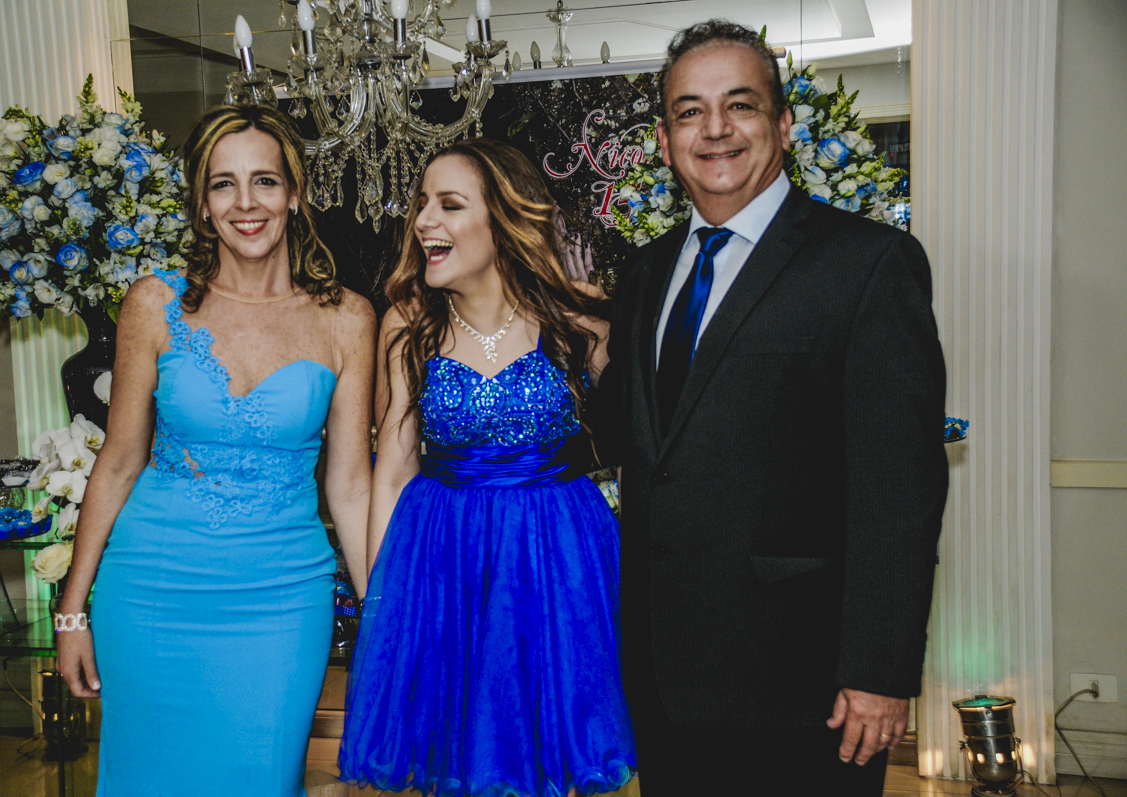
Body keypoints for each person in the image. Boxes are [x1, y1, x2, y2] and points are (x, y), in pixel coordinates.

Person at [596, 21, 949, 796]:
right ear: (666, 142)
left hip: (805, 686)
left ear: (784, 124)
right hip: (664, 679)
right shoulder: (646, 273)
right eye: (689, 111)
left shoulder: (867, 264)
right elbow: (634, 437)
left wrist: (880, 670)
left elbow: (900, 489)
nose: (715, 128)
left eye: (741, 104)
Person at [54, 104, 375, 796]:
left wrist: (381, 611)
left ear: (295, 194)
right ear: (202, 204)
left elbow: (350, 486)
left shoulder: (347, 318)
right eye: (224, 184)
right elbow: (119, 461)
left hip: (282, 603)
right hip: (151, 591)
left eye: (265, 181)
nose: (245, 203)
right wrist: (72, 609)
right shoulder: (153, 304)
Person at [338, 138, 635, 797]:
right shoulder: (408, 324)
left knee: (553, 752)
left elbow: (640, 447)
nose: (423, 221)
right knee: (461, 751)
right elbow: (394, 469)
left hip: (558, 560)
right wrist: (387, 599)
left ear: (502, 218)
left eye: (448, 204)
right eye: (422, 204)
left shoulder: (579, 319)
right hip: (447, 558)